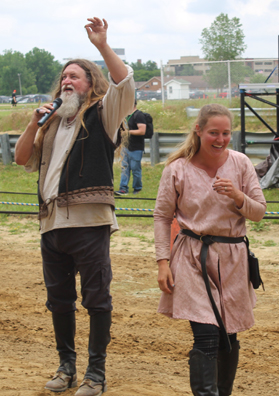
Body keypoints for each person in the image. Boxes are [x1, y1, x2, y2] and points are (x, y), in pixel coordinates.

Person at [14, 17, 135, 396]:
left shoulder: (103, 114)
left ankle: (95, 374)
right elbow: (20, 160)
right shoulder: (49, 125)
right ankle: (66, 367)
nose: (67, 81)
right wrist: (34, 124)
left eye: (75, 77)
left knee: (97, 297)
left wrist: (101, 46)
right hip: (51, 226)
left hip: (89, 223)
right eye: (64, 77)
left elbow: (125, 86)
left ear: (90, 85)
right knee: (58, 300)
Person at [154, 103, 266, 396]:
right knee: (206, 336)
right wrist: (162, 262)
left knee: (228, 337)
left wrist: (238, 196)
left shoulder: (241, 164)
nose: (220, 139)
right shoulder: (177, 169)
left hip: (233, 259)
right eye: (213, 132)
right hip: (192, 257)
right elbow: (162, 217)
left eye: (226, 133)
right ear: (199, 131)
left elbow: (258, 212)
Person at [115, 101, 147, 195]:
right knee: (124, 168)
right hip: (126, 147)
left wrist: (128, 132)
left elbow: (142, 131)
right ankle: (123, 188)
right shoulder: (126, 116)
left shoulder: (139, 115)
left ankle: (137, 188)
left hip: (136, 148)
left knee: (135, 169)